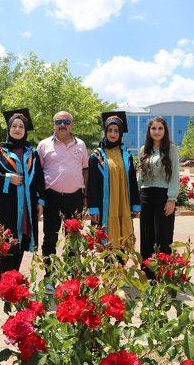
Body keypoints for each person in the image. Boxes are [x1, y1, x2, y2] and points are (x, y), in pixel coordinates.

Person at [0, 108, 45, 274]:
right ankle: (6, 286)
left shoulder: (32, 153)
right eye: (14, 126)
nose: (17, 129)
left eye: (21, 127)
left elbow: (39, 179)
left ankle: (14, 283)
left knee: (20, 245)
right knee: (5, 246)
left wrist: (40, 202)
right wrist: (7, 179)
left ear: (25, 131)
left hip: (26, 208)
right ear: (9, 129)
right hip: (6, 209)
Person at [37, 111, 89, 279]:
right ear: (53, 124)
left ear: (72, 124)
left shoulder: (81, 144)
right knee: (50, 237)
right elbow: (37, 174)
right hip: (52, 197)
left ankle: (71, 275)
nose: (62, 124)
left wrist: (85, 196)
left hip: (75, 198)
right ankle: (50, 275)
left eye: (66, 121)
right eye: (58, 121)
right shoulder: (44, 145)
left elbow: (85, 170)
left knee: (73, 239)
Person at [87, 111, 140, 248]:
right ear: (105, 132)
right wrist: (93, 209)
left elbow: (133, 181)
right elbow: (92, 184)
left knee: (123, 245)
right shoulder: (96, 156)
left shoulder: (126, 155)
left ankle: (121, 268)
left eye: (116, 130)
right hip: (104, 207)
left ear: (121, 133)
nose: (113, 134)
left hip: (123, 205)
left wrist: (135, 204)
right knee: (107, 246)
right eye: (110, 130)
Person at [137, 117, 180, 279]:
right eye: (153, 128)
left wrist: (172, 199)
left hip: (163, 196)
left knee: (162, 234)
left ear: (165, 130)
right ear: (149, 131)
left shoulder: (172, 149)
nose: (156, 131)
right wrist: (135, 198)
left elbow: (175, 174)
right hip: (146, 195)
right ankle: (148, 272)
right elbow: (140, 177)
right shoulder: (143, 150)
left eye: (160, 128)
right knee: (147, 234)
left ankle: (162, 272)